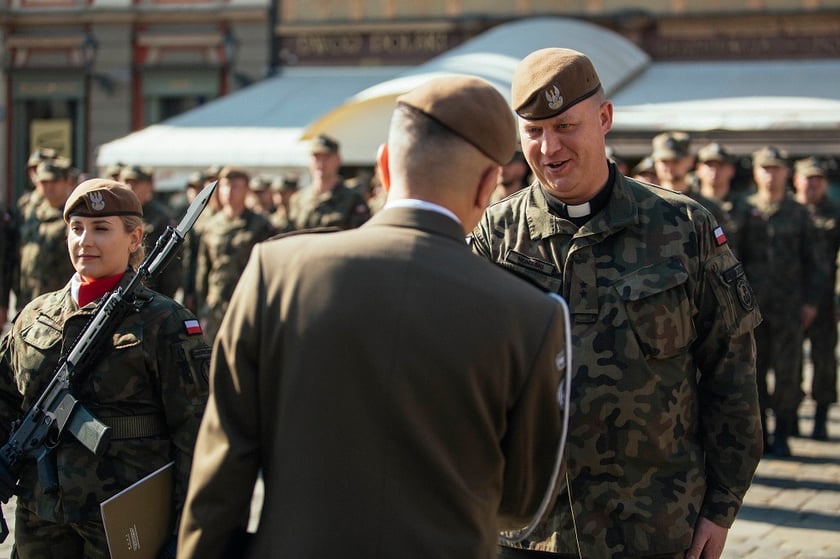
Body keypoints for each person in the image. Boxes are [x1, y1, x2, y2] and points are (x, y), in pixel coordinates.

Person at [178, 75, 569, 558]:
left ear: (384, 165)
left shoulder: (275, 273)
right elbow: (521, 504)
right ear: (489, 184)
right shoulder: (531, 316)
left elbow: (220, 483)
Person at [471, 48, 763, 558]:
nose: (549, 147)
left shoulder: (683, 227)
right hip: (527, 530)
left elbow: (731, 372)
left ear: (604, 118)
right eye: (533, 131)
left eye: (565, 126)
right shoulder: (497, 234)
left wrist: (722, 506)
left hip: (655, 525)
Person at [0, 179, 210, 558]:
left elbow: (196, 433)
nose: (85, 241)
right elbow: (3, 399)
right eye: (76, 228)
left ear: (134, 239)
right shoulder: (34, 316)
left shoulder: (166, 321)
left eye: (101, 229)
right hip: (41, 516)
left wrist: (184, 532)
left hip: (125, 518)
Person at [730, 146, 827, 457]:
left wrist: (811, 302)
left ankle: (784, 430)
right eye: (765, 169)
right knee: (753, 371)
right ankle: (761, 434)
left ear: (787, 174)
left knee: (788, 372)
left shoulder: (799, 213)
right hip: (752, 308)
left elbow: (817, 263)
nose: (771, 175)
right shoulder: (744, 210)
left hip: (789, 306)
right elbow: (733, 260)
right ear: (756, 173)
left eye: (777, 169)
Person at [195, 166, 275, 343]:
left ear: (246, 190)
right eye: (225, 186)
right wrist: (200, 304)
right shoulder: (211, 225)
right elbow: (203, 268)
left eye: (235, 186)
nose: (229, 192)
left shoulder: (260, 225)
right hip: (215, 304)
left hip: (247, 301)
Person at [792, 156, 840, 440]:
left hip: (823, 302)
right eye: (807, 178)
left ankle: (821, 417)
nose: (812, 184)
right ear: (796, 180)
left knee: (823, 362)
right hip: (788, 300)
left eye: (818, 179)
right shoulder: (788, 212)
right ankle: (790, 416)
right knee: (789, 362)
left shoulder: (834, 214)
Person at [16, 159, 77, 311]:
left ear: (66, 181)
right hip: (28, 301)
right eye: (44, 182)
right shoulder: (31, 214)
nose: (49, 187)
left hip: (59, 304)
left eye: (54, 181)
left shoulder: (74, 216)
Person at [119, 165, 182, 299]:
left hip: (150, 294)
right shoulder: (116, 217)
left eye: (136, 183)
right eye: (126, 182)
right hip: (119, 291)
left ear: (149, 186)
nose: (130, 187)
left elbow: (171, 266)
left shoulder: (161, 218)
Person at [288, 134, 371, 230]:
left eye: (326, 157)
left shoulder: (353, 199)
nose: (321, 163)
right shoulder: (298, 199)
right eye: (316, 157)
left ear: (338, 159)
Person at [652, 131, 730, 230]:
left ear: (689, 161)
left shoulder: (708, 207)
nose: (670, 167)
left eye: (676, 160)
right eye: (664, 161)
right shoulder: (643, 204)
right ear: (655, 163)